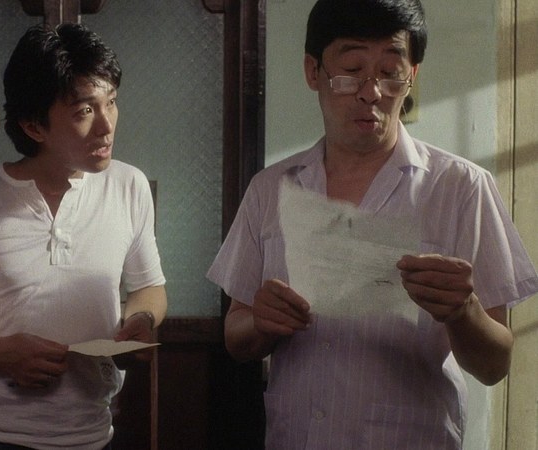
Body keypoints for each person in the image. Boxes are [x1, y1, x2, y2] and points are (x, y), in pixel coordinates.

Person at [207, 0, 538, 448]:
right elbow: (236, 335)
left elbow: (495, 364)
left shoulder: (462, 188)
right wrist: (261, 323)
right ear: (313, 71)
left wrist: (465, 311)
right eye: (351, 71)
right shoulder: (271, 189)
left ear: (412, 75)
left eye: (390, 72)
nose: (372, 92)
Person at [0, 23, 167, 450]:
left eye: (111, 102)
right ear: (34, 126)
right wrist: (0, 355)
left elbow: (149, 287)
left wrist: (141, 320)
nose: (106, 126)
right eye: (84, 111)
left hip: (93, 435)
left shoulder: (129, 186)